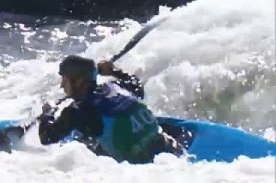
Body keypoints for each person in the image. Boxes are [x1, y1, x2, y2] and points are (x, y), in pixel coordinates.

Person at [36, 55, 186, 164]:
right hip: (174, 151)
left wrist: (46, 114)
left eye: (65, 80)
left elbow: (46, 138)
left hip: (144, 169)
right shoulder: (116, 87)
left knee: (87, 142)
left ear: (80, 81)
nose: (62, 86)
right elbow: (138, 88)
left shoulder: (76, 112)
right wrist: (114, 71)